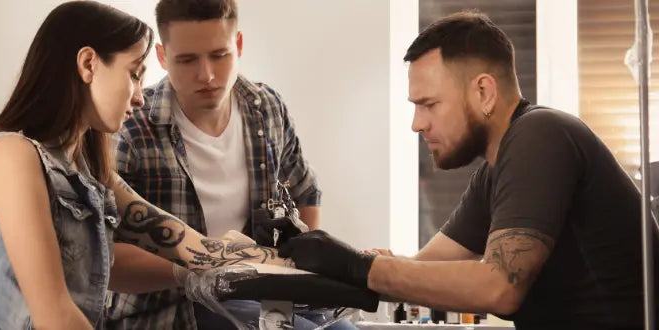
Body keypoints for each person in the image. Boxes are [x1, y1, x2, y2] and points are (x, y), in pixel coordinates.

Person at [277, 11, 658, 330]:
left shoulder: (542, 134)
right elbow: (423, 269)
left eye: (429, 104)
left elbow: (498, 287)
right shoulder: (494, 172)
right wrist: (333, 259)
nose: (416, 123)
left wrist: (358, 266)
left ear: (484, 92)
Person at [0, 2, 290, 329]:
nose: (140, 96)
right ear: (88, 64)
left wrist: (296, 268)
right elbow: (54, 318)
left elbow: (195, 247)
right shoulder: (11, 156)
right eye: (133, 75)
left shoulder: (89, 172)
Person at [108, 1, 353, 329]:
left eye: (219, 55)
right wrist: (197, 269)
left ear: (238, 44)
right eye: (187, 59)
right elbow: (106, 256)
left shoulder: (266, 108)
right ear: (163, 57)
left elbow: (306, 190)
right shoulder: (131, 127)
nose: (206, 75)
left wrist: (299, 278)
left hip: (260, 295)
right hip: (169, 309)